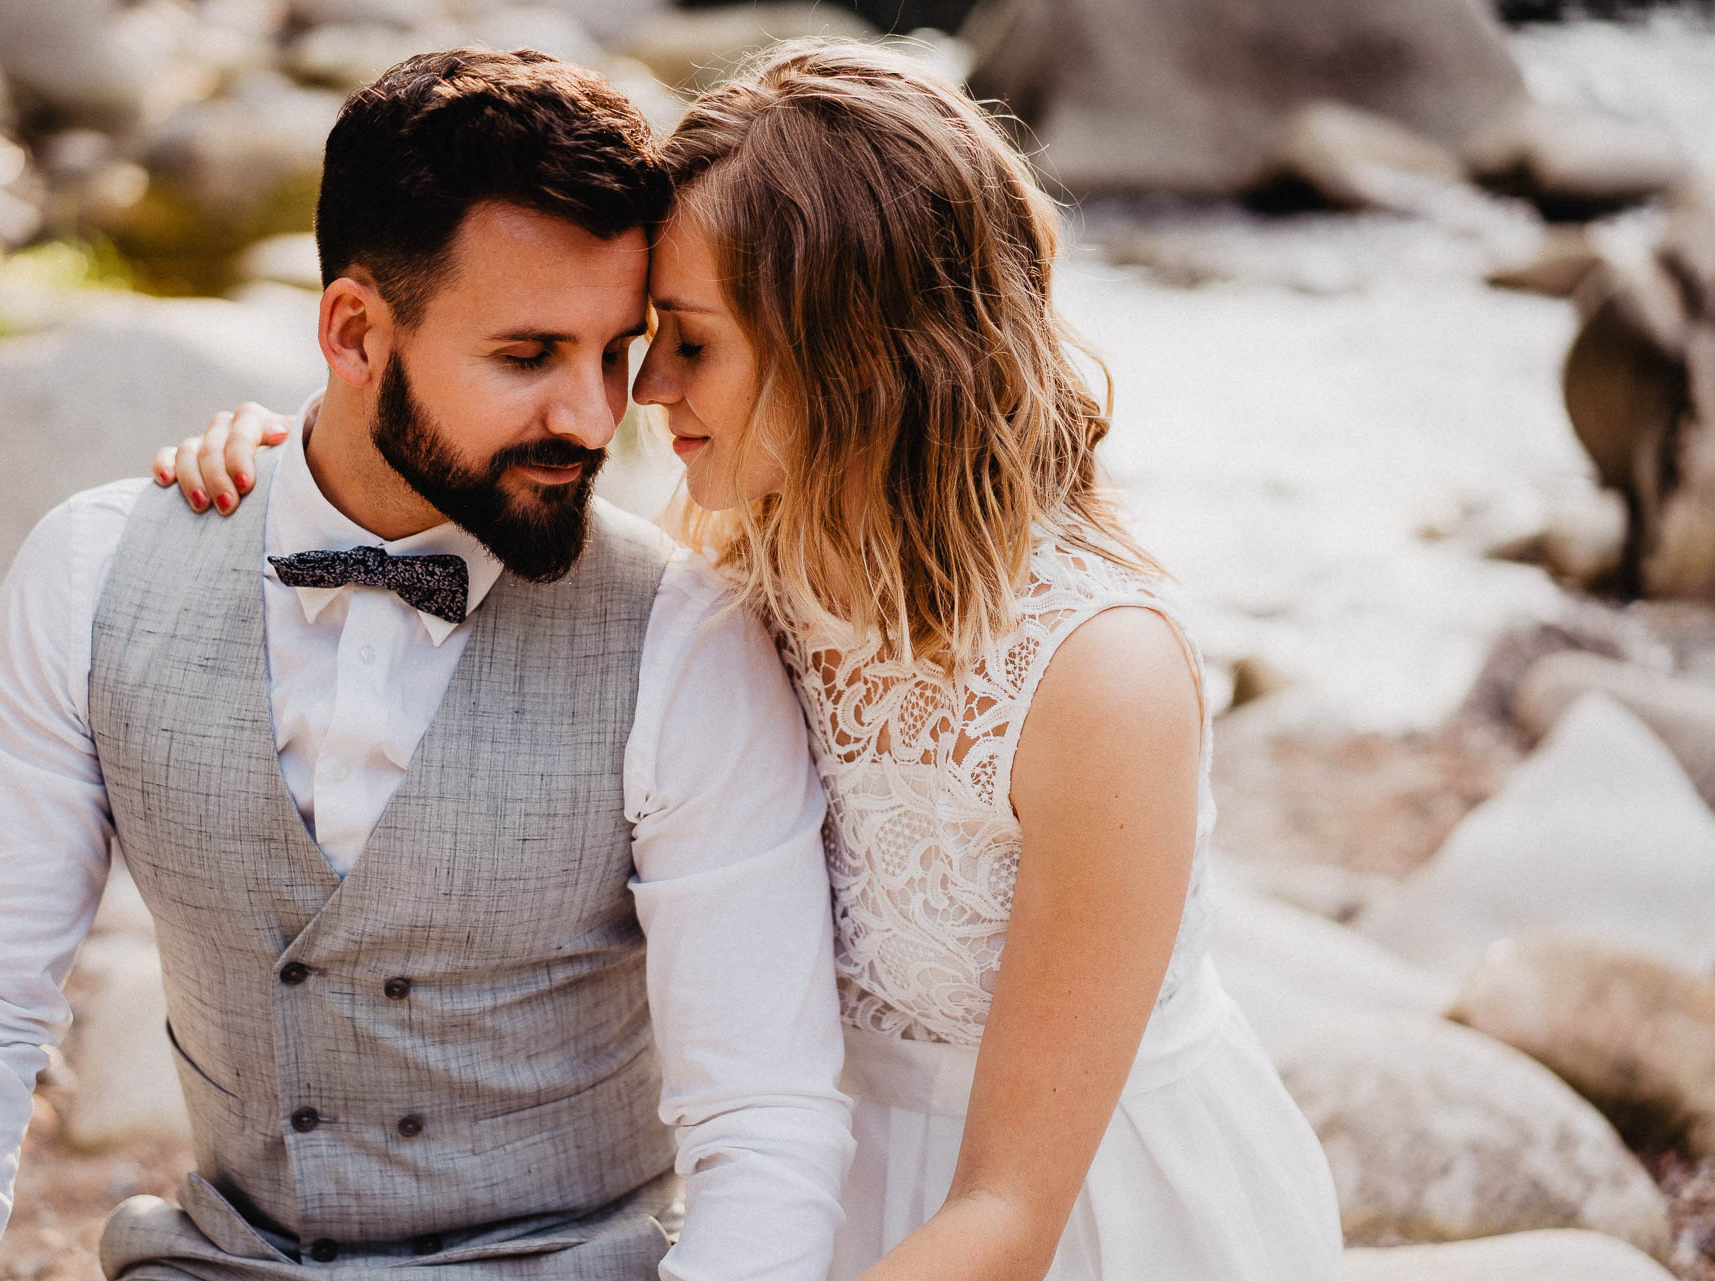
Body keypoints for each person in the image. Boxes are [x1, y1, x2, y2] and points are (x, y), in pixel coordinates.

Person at [173, 41, 1346, 1281]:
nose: (639, 392)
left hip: (1076, 1220)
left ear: (854, 357)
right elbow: (435, 475)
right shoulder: (750, 553)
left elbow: (1010, 1213)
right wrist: (291, 475)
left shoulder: (1098, 683)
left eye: (689, 343)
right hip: (812, 1181)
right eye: (646, 339)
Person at [0, 49, 855, 1281]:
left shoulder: (684, 639)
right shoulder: (90, 576)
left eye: (613, 351)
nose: (592, 418)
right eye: (528, 357)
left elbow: (764, 1123)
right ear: (355, 331)